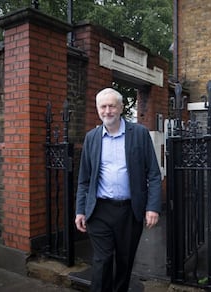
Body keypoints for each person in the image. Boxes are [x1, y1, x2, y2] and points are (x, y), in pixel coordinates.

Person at [75, 87, 162, 292]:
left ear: (121, 108)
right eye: (103, 107)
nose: (107, 111)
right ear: (97, 109)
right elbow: (84, 179)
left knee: (124, 261)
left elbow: (154, 174)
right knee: (102, 260)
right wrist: (80, 210)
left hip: (129, 211)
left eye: (111, 106)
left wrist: (153, 207)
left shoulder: (139, 133)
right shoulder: (92, 138)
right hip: (100, 210)